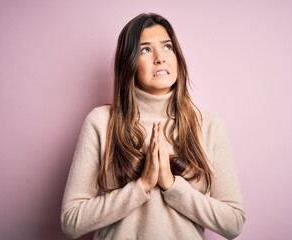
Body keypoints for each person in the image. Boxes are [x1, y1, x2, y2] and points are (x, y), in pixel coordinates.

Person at [61, 13, 245, 240]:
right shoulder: (101, 122)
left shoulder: (208, 125)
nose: (160, 58)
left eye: (167, 47)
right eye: (145, 50)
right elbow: (71, 221)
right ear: (128, 64)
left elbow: (234, 222)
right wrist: (141, 187)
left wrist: (172, 186)